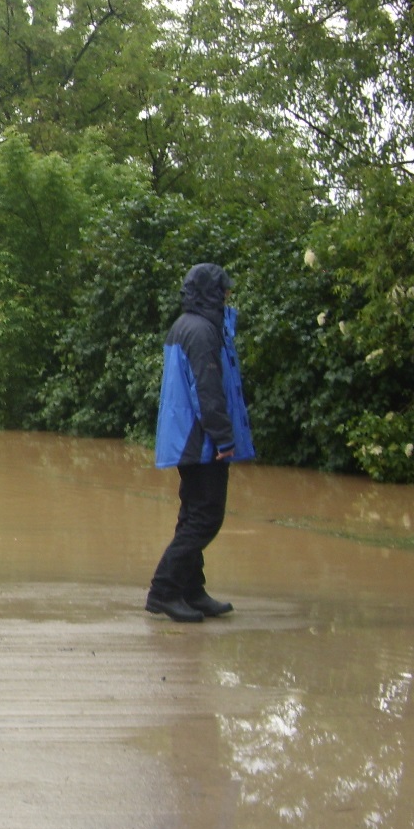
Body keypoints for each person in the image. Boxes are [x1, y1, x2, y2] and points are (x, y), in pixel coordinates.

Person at [147, 262, 254, 623]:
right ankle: (164, 590)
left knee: (192, 515)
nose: (228, 294)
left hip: (188, 439)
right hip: (201, 441)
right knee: (206, 517)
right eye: (224, 289)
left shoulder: (188, 326)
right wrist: (224, 438)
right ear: (211, 291)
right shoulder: (203, 331)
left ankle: (191, 590)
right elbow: (207, 390)